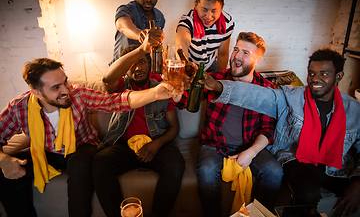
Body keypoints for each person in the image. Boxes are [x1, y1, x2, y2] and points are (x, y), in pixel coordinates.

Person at [0, 57, 178, 217]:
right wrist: (2, 159)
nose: (66, 90)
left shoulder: (79, 95)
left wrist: (155, 93)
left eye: (65, 82)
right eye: (56, 88)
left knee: (80, 165)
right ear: (37, 93)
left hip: (82, 148)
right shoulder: (18, 108)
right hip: (44, 153)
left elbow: (116, 102)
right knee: (5, 171)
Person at [208, 48, 360, 217]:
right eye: (311, 73)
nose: (315, 79)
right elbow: (257, 95)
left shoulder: (354, 110)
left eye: (324, 74)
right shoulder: (292, 96)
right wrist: (218, 86)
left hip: (335, 166)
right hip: (296, 157)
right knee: (309, 192)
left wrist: (358, 183)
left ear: (339, 76)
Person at [175, 32, 283, 216]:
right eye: (235, 50)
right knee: (207, 170)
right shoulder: (216, 79)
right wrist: (178, 92)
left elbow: (268, 129)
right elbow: (186, 100)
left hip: (250, 145)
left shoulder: (266, 89)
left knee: (274, 172)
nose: (236, 57)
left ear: (258, 60)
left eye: (245, 53)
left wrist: (251, 152)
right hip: (214, 144)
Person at [92, 30, 185, 217]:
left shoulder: (161, 88)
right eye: (132, 64)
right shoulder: (119, 87)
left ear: (149, 64)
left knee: (176, 163)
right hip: (124, 147)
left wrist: (157, 144)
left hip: (155, 144)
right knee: (99, 163)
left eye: (142, 61)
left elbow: (174, 127)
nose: (137, 67)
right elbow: (106, 80)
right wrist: (141, 50)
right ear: (125, 68)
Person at [176, 0, 235, 72]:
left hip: (210, 64)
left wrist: (220, 78)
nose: (208, 16)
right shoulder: (188, 21)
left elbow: (222, 54)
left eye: (214, 10)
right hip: (190, 64)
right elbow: (181, 45)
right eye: (204, 9)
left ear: (222, 7)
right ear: (196, 5)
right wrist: (186, 68)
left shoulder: (227, 23)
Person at [110, 0, 165, 66]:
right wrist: (141, 34)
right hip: (122, 69)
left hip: (144, 71)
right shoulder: (126, 9)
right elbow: (123, 26)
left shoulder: (159, 17)